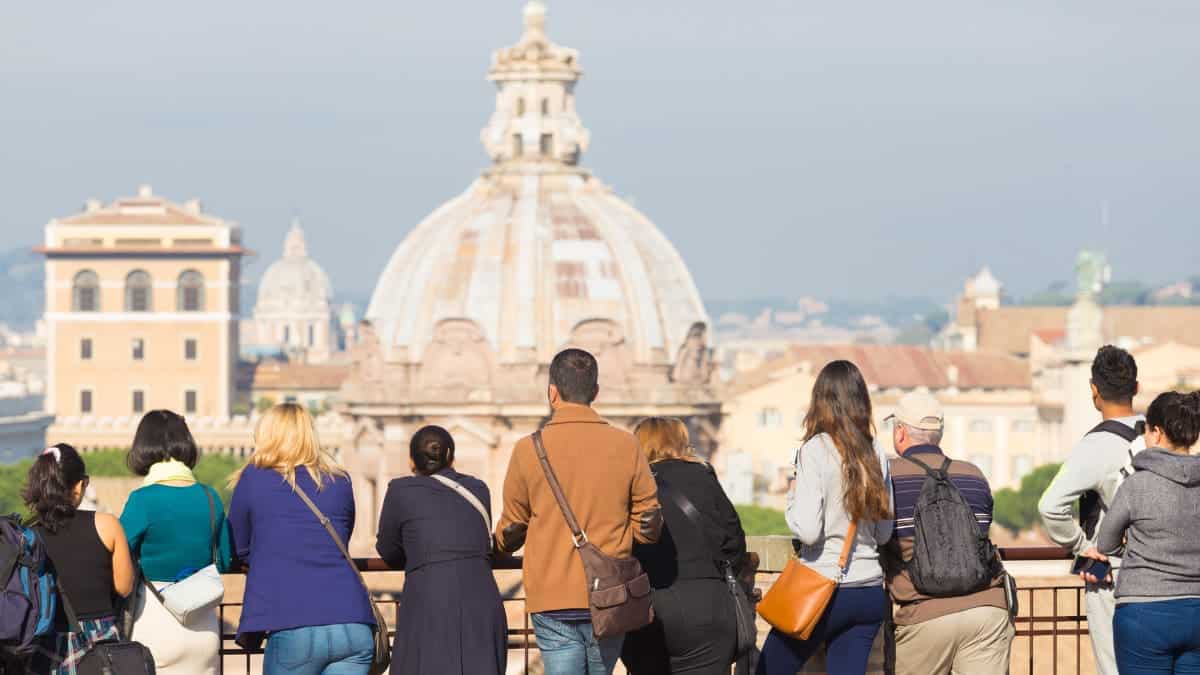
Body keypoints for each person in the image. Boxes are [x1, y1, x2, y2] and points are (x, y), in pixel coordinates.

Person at [494, 348, 663, 675]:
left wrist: (499, 545)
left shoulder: (528, 449)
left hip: (551, 594)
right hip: (610, 593)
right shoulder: (626, 445)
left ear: (552, 392)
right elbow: (648, 521)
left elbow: (513, 527)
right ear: (595, 393)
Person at [756, 360, 894, 675]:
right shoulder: (877, 452)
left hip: (824, 590)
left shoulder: (816, 450)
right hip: (870, 590)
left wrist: (791, 493)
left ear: (820, 400)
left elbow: (807, 531)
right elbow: (884, 534)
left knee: (769, 670)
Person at [227, 403, 376, 675]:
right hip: (353, 622)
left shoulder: (254, 478)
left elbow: (239, 545)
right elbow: (341, 537)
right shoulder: (339, 480)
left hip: (293, 622)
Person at [884, 390, 1013, 675]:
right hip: (986, 608)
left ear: (900, 432)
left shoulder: (888, 476)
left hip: (922, 613)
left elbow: (877, 539)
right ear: (938, 434)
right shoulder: (973, 474)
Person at [1038, 345, 1142, 675]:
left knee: (1114, 665)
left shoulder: (1096, 444)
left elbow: (1051, 506)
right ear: (1136, 388)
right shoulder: (1159, 431)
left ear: (1093, 390)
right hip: (1169, 574)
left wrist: (1082, 548)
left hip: (1112, 572)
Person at [621, 417, 748, 675]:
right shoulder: (703, 476)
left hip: (650, 603)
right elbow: (734, 540)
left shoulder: (632, 484)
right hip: (708, 603)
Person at [376, 425, 507, 674]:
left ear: (412, 460)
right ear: (450, 457)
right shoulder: (478, 490)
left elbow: (388, 551)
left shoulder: (400, 491)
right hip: (480, 599)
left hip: (428, 598)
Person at [1090, 391, 1200, 674]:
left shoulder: (1137, 484)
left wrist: (1133, 549)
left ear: (1158, 433)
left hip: (1144, 612)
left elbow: (1106, 542)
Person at [119, 410, 233, 674]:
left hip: (155, 624)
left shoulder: (143, 500)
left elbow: (117, 555)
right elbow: (226, 560)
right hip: (204, 628)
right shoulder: (210, 497)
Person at [24, 444, 135, 674]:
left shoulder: (26, 535)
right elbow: (124, 588)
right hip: (99, 642)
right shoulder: (107, 524)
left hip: (44, 644)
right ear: (77, 486)